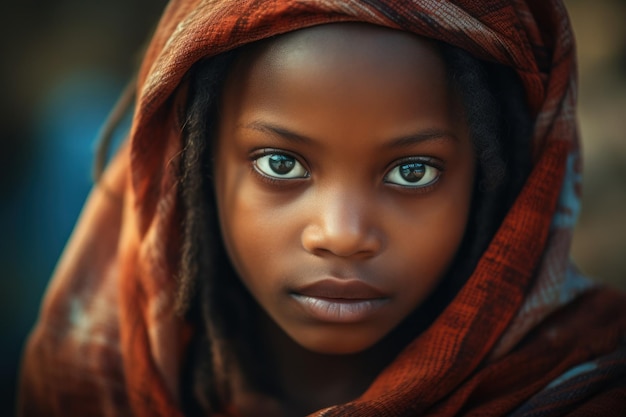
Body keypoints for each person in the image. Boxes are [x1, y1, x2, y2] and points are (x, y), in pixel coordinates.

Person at [18, 0, 626, 416]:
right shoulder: (93, 387)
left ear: (506, 182)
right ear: (192, 168)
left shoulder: (590, 387)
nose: (341, 234)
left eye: (412, 172)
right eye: (279, 164)